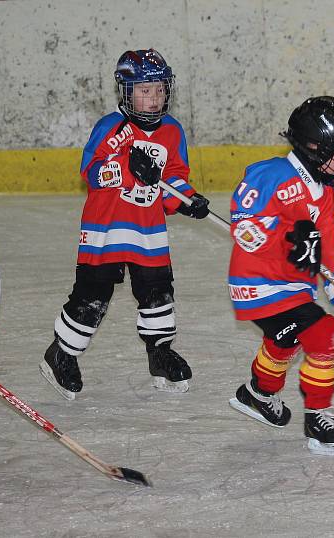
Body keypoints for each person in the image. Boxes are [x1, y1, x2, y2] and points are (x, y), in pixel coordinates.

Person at [41, 49, 210, 399]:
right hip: (106, 229)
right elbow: (92, 172)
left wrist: (186, 198)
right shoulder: (110, 127)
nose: (153, 98)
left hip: (148, 231)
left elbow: (173, 178)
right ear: (127, 91)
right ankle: (62, 353)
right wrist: (126, 167)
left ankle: (160, 353)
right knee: (93, 296)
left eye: (159, 90)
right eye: (144, 90)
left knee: (158, 292)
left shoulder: (173, 131)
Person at [227, 96, 334, 456]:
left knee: (286, 339)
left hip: (295, 287)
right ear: (313, 146)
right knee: (323, 333)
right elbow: (245, 227)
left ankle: (258, 394)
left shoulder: (327, 195)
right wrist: (286, 238)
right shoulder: (270, 174)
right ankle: (318, 414)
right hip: (259, 281)